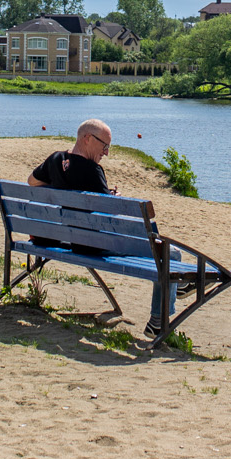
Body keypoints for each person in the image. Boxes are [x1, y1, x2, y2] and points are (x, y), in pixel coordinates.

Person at [26, 118, 176, 338]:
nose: (106, 152)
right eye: (104, 146)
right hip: (94, 245)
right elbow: (109, 214)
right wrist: (114, 200)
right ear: (87, 139)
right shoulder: (93, 170)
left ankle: (176, 289)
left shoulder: (55, 159)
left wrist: (60, 188)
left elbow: (32, 182)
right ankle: (157, 321)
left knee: (170, 264)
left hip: (69, 238)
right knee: (170, 254)